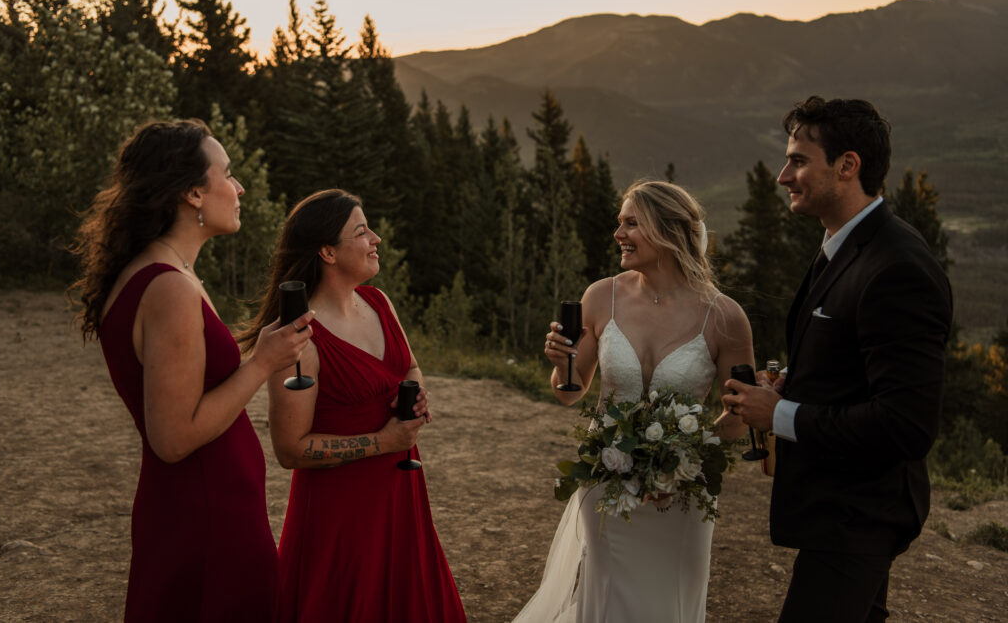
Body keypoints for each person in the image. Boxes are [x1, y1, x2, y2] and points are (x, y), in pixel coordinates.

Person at [69, 119, 312, 622]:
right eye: (228, 173)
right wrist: (262, 361)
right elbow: (173, 437)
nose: (239, 187)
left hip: (196, 509)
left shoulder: (160, 272)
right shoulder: (169, 288)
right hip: (207, 519)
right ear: (192, 192)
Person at [722, 96, 953, 622]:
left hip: (861, 516)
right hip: (837, 509)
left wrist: (777, 416)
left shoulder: (898, 269)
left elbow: (906, 425)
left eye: (799, 161)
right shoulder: (844, 245)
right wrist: (787, 389)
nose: (783, 176)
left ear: (848, 166)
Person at [515, 180, 754, 623]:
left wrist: (686, 455)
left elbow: (739, 417)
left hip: (681, 494)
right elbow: (569, 392)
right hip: (605, 479)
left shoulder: (723, 316)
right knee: (606, 598)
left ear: (668, 230)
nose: (618, 233)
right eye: (618, 222)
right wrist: (561, 363)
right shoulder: (600, 296)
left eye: (631, 223)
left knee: (669, 603)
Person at [238, 189, 466, 623]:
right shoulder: (299, 338)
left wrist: (415, 394)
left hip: (401, 498)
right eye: (361, 232)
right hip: (341, 517)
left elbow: (410, 366)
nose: (376, 238)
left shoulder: (380, 303)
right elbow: (290, 450)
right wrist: (385, 441)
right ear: (327, 251)